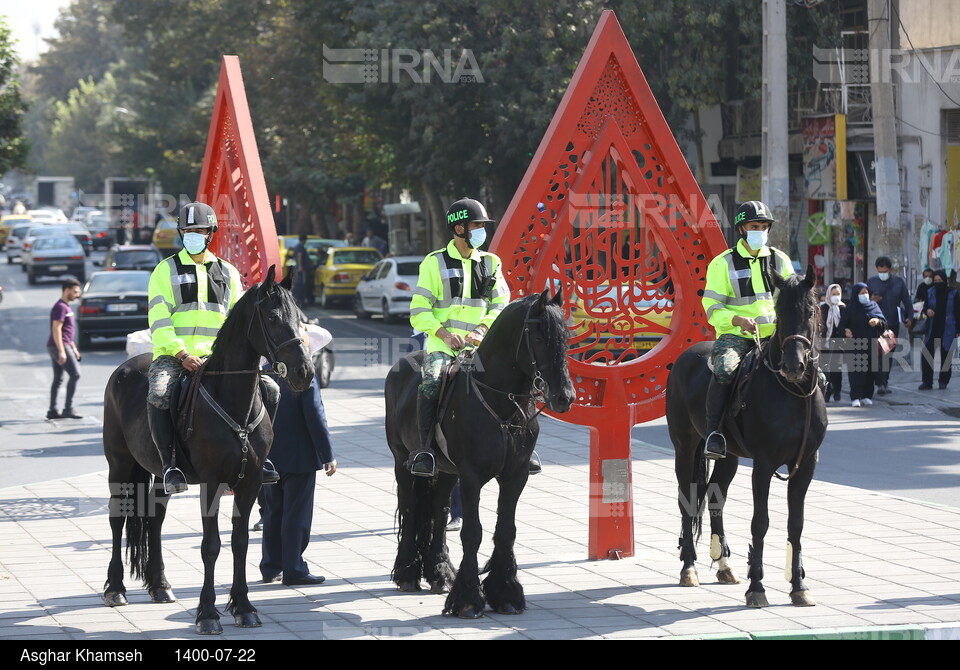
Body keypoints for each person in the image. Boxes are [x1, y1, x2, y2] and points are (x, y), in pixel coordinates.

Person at [146, 201, 280, 494]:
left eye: (200, 230)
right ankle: (170, 465)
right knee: (159, 394)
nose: (194, 234)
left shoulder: (229, 272)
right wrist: (181, 353)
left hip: (217, 358)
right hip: (175, 356)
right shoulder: (164, 271)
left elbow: (238, 322)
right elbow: (159, 319)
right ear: (181, 233)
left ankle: (263, 458)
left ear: (211, 233)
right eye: (188, 230)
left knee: (271, 389)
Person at [407, 197, 512, 478]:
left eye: (482, 226)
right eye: (476, 225)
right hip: (443, 347)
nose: (481, 231)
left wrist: (482, 330)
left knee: (514, 377)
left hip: (481, 346)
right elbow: (418, 310)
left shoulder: (491, 263)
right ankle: (425, 451)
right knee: (430, 383)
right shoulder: (433, 262)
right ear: (459, 229)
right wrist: (443, 333)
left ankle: (520, 447)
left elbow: (501, 302)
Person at [701, 201, 795, 459]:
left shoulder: (780, 259)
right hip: (737, 337)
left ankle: (811, 430)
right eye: (755, 226)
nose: (761, 231)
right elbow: (711, 306)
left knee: (812, 370)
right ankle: (714, 433)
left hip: (776, 336)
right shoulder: (723, 263)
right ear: (742, 229)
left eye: (765, 227)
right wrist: (736, 320)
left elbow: (791, 298)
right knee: (725, 369)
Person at [260, 324, 336, 587]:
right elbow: (315, 415)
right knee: (297, 514)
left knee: (272, 511)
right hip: (299, 455)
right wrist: (328, 454)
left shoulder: (264, 370)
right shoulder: (304, 374)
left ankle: (270, 566)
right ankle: (294, 568)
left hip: (267, 455)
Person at [866, 256, 913, 394]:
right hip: (875, 323)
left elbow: (907, 301)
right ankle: (879, 382)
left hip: (891, 324)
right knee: (877, 354)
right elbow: (863, 300)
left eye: (885, 271)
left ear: (890, 270)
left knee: (888, 354)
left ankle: (883, 382)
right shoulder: (871, 282)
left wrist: (910, 317)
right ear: (877, 270)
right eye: (880, 271)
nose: (883, 274)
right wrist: (872, 299)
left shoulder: (898, 283)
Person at [838, 283, 887, 406]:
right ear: (856, 294)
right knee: (856, 372)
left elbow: (884, 323)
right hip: (855, 345)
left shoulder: (874, 306)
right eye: (862, 293)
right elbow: (841, 326)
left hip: (872, 344)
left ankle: (867, 395)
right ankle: (855, 397)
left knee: (870, 371)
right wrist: (845, 331)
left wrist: (878, 321)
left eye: (866, 292)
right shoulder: (849, 309)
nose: (865, 295)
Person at [47, 277, 83, 420]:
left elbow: (67, 332)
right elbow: (57, 329)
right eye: (75, 292)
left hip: (63, 344)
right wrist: (61, 351)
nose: (77, 295)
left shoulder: (66, 306)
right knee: (75, 374)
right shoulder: (60, 307)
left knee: (58, 379)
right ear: (67, 290)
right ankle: (68, 408)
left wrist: (74, 348)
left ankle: (52, 410)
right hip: (59, 345)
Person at [918, 270, 960, 390]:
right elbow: (924, 306)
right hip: (933, 328)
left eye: (940, 281)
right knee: (926, 354)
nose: (937, 283)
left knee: (946, 356)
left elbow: (958, 311)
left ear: (945, 280)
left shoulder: (953, 293)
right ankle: (927, 381)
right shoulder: (930, 291)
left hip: (948, 328)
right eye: (935, 281)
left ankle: (943, 381)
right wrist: (927, 311)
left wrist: (958, 328)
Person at [820, 283, 847, 402]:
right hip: (825, 343)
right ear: (828, 295)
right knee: (825, 369)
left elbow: (846, 323)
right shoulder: (823, 308)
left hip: (839, 342)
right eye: (833, 294)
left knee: (837, 368)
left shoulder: (844, 308)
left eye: (838, 294)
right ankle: (827, 391)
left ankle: (837, 391)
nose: (836, 296)